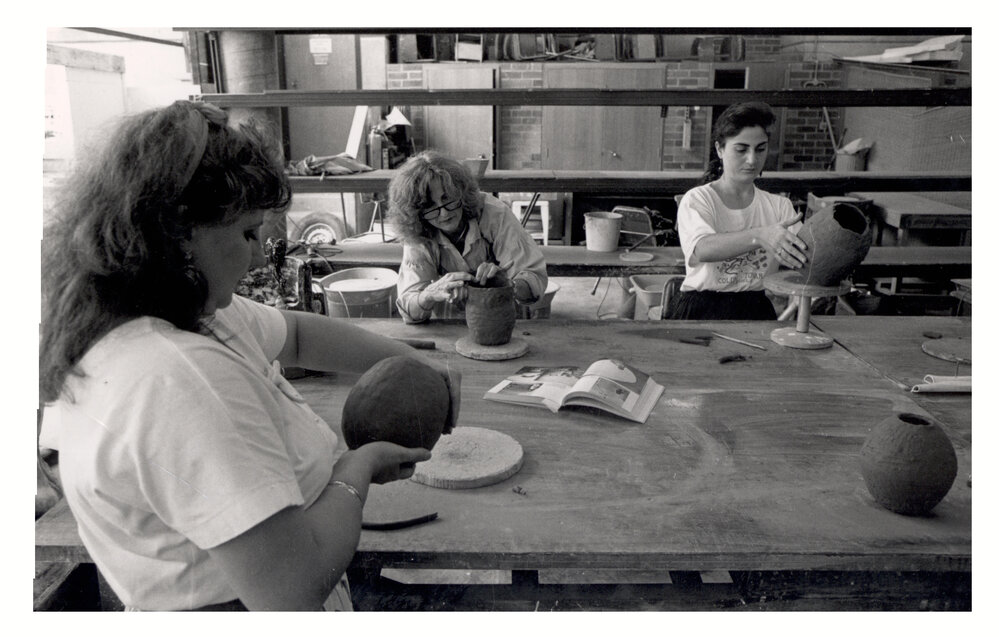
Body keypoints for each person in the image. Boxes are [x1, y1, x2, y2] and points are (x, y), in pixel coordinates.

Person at [37, 100, 460, 611]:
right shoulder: (178, 378)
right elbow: (292, 590)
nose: (260, 253)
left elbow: (299, 335)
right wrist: (357, 469)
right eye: (246, 233)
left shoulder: (161, 315)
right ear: (177, 230)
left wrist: (417, 364)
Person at [664, 102, 808, 320]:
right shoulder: (699, 199)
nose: (752, 160)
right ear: (719, 149)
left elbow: (807, 257)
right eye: (741, 149)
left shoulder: (779, 207)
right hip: (700, 308)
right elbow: (702, 248)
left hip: (755, 308)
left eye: (760, 149)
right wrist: (761, 235)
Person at [388, 150, 547, 323]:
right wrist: (429, 294)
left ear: (461, 192)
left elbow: (534, 279)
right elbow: (408, 311)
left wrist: (509, 283)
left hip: (503, 316)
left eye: (447, 198)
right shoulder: (418, 233)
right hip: (449, 325)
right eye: (430, 206)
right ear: (416, 212)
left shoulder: (495, 214)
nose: (443, 213)